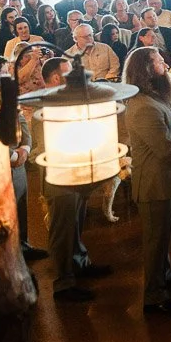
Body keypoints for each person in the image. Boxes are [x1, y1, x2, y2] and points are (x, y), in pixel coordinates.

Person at [124, 47, 171, 317]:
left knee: (164, 235)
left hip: (165, 179)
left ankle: (166, 274)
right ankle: (154, 299)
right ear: (145, 68)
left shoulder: (153, 96)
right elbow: (166, 149)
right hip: (154, 184)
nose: (165, 64)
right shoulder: (143, 106)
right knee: (155, 242)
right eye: (158, 61)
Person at [42, 58, 115, 303]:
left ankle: (81, 263)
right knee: (62, 230)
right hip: (60, 179)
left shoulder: (73, 103)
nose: (76, 78)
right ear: (54, 79)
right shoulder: (48, 109)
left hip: (80, 174)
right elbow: (39, 151)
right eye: (68, 74)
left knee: (76, 224)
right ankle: (64, 282)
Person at [10, 112, 48, 263]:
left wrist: (25, 149)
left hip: (18, 162)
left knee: (20, 206)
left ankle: (23, 246)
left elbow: (20, 118)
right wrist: (13, 156)